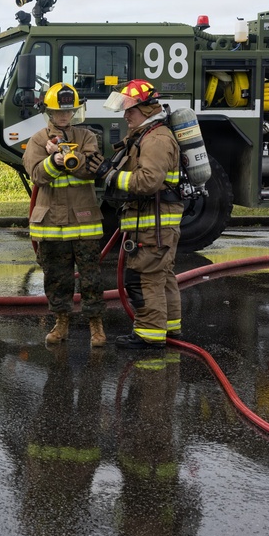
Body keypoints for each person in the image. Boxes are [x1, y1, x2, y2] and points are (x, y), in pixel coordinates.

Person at [23, 83, 106, 347]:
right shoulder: (38, 140)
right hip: (51, 224)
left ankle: (96, 326)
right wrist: (52, 161)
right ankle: (61, 324)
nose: (64, 116)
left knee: (91, 278)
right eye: (59, 111)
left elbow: (92, 169)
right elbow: (36, 175)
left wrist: (72, 158)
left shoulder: (87, 136)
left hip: (84, 221)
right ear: (49, 111)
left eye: (69, 111)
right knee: (57, 278)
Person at [101, 79, 183, 348]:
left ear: (147, 110)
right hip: (156, 220)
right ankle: (169, 328)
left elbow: (147, 182)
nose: (125, 115)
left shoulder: (156, 139)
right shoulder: (148, 135)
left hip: (154, 223)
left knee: (143, 277)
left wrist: (111, 175)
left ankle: (149, 335)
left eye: (130, 110)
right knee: (162, 275)